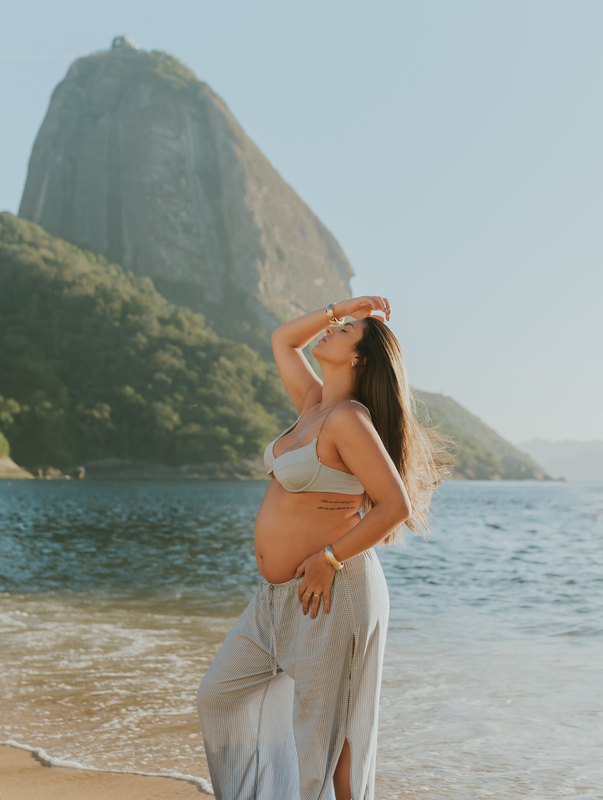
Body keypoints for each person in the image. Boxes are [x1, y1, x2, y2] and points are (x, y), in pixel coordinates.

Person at [197, 296, 451, 800]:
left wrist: (330, 558)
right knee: (219, 696)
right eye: (337, 325)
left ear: (359, 358)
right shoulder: (313, 405)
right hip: (274, 600)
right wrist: (342, 309)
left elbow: (394, 505)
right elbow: (282, 339)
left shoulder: (349, 420)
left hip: (330, 591)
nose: (332, 330)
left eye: (346, 330)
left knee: (327, 742)